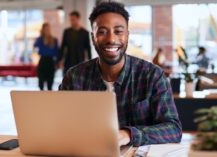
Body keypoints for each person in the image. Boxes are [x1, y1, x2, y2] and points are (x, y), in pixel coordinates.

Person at [59, 2, 182, 147]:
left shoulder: (152, 75)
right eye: (102, 32)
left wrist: (128, 134)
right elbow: (60, 124)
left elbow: (173, 129)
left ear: (127, 36)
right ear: (93, 38)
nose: (111, 39)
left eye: (118, 31)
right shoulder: (74, 77)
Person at [59, 11, 92, 75]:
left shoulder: (85, 33)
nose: (71, 21)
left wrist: (90, 62)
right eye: (71, 20)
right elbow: (63, 47)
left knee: (79, 82)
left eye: (73, 20)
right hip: (68, 61)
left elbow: (88, 48)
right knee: (67, 81)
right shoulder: (67, 32)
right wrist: (60, 60)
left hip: (80, 61)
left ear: (78, 19)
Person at [34, 23, 59, 90]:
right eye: (45, 29)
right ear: (43, 30)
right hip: (42, 61)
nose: (47, 30)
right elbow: (37, 50)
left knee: (50, 85)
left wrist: (57, 63)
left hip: (51, 62)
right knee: (41, 84)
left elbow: (56, 53)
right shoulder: (39, 39)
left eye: (48, 29)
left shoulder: (54, 40)